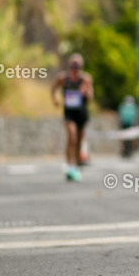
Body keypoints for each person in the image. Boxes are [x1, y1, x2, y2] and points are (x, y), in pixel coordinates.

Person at [51, 54, 94, 182]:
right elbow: (53, 88)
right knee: (72, 136)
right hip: (69, 113)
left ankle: (76, 165)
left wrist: (86, 91)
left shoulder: (86, 79)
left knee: (79, 141)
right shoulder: (63, 78)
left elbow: (91, 97)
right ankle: (69, 165)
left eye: (78, 66)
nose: (75, 69)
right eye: (73, 66)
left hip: (81, 113)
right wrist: (55, 98)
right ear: (69, 66)